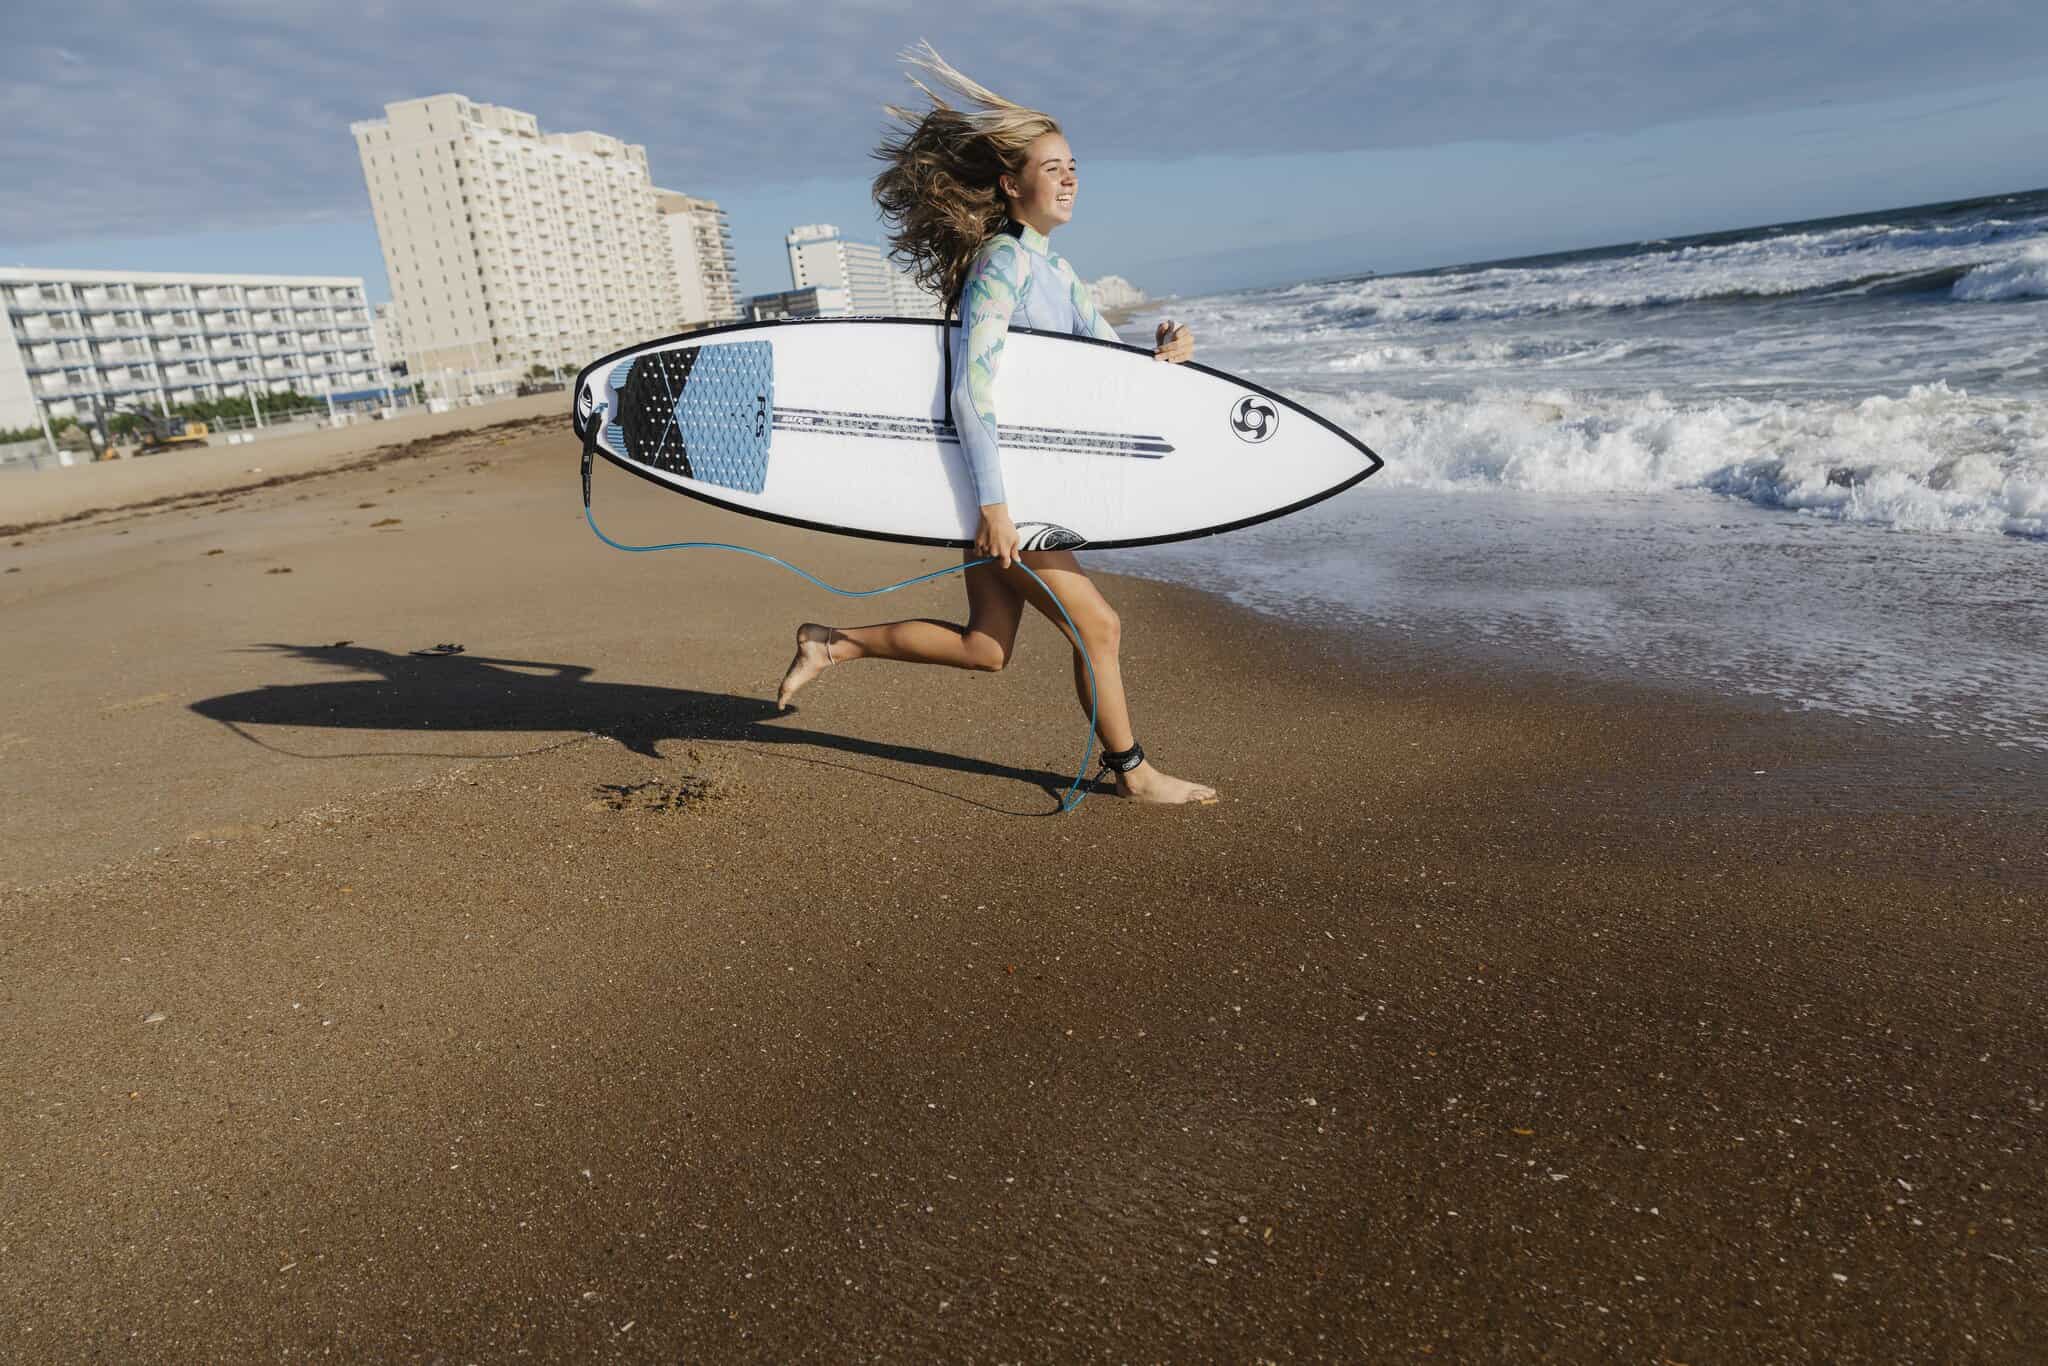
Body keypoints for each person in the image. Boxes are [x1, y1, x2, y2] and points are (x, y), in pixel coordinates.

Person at [775, 44, 1216, 806]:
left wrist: (1165, 359)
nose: (1071, 176)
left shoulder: (1057, 273)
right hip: (1005, 493)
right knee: (1099, 628)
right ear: (1012, 185)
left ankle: (829, 642)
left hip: (1007, 491)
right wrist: (995, 508)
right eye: (1053, 166)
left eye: (1074, 164)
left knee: (986, 648)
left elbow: (1111, 373)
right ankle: (1134, 772)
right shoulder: (1001, 266)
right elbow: (972, 395)